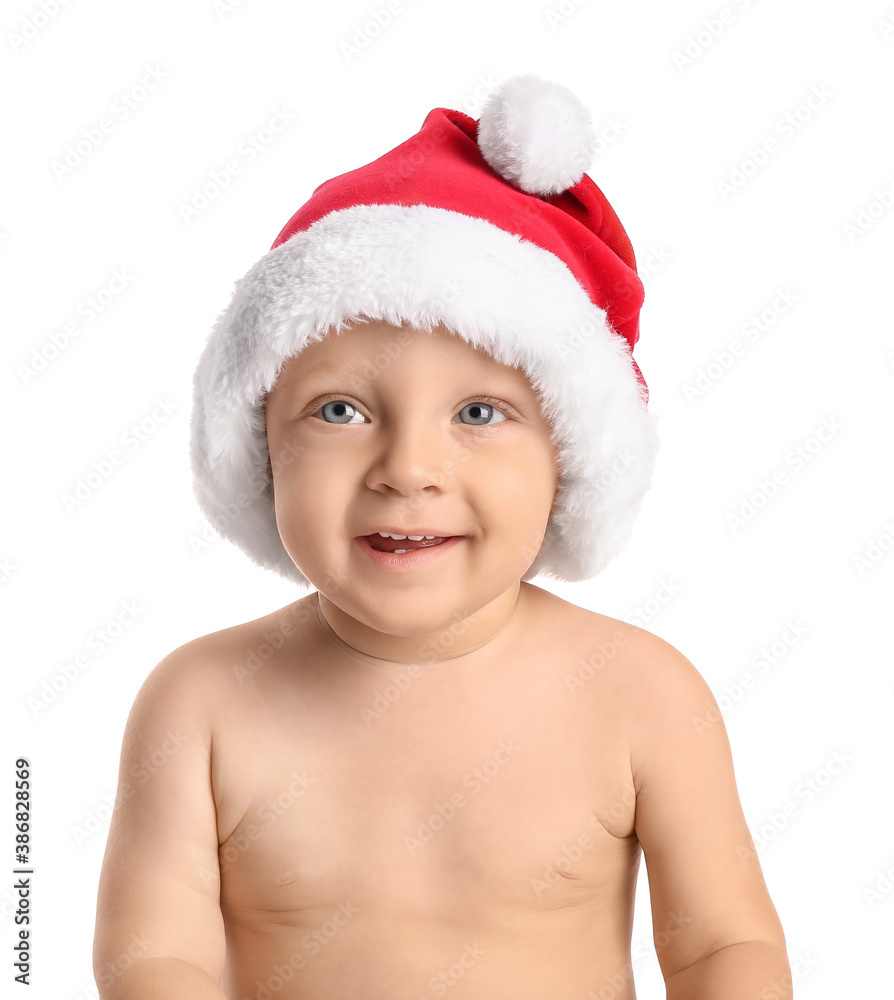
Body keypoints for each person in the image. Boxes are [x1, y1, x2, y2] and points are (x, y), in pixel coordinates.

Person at [93, 74, 791, 1000]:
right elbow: (153, 957)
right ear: (260, 450)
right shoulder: (203, 703)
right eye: (339, 409)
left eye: (479, 411)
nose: (407, 469)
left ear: (570, 459)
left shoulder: (639, 694)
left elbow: (722, 950)